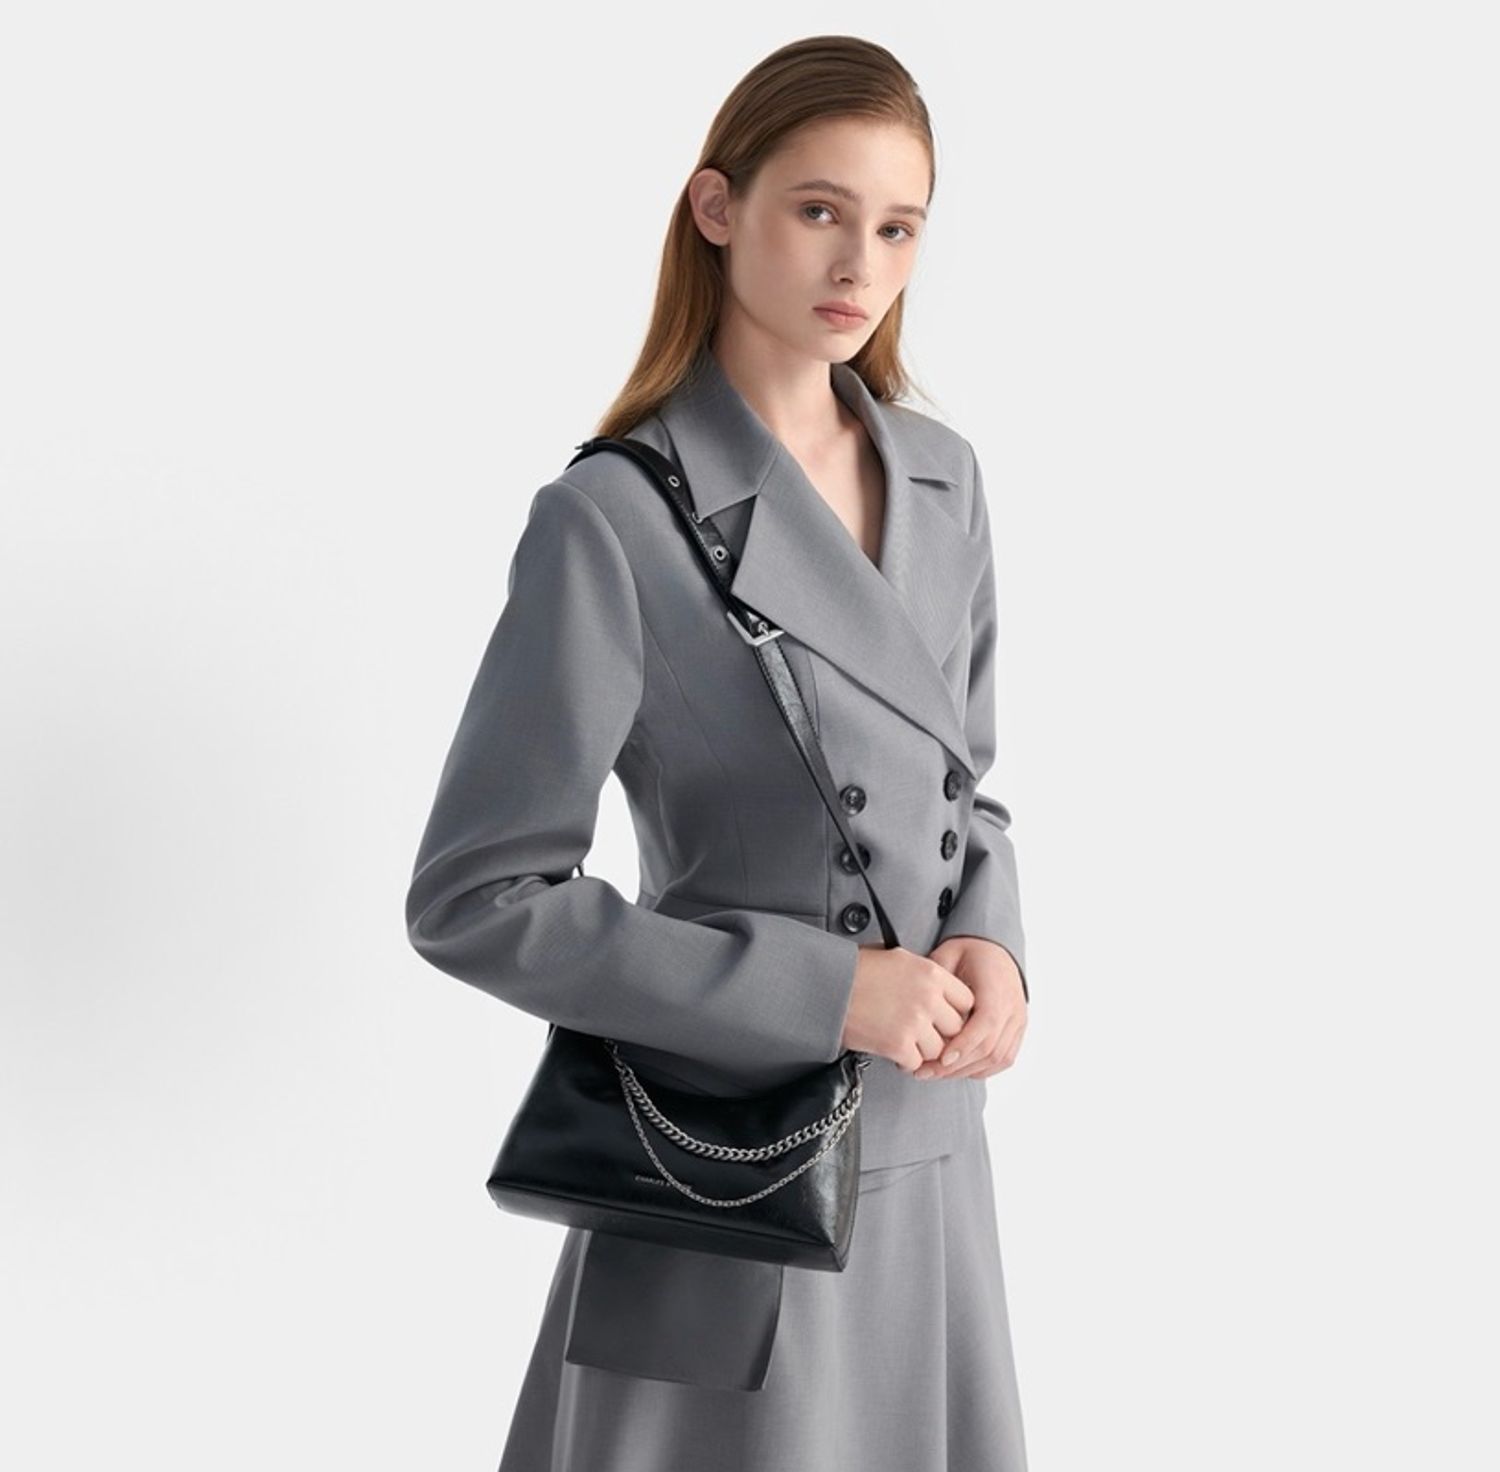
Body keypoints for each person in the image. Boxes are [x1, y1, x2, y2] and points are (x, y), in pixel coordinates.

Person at [404, 34, 1032, 1472]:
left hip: (933, 1153)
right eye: (819, 210)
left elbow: (966, 794)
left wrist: (994, 942)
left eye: (898, 228)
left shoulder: (945, 481)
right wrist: (827, 991)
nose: (860, 264)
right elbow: (477, 898)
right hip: (732, 1173)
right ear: (716, 208)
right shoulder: (613, 518)